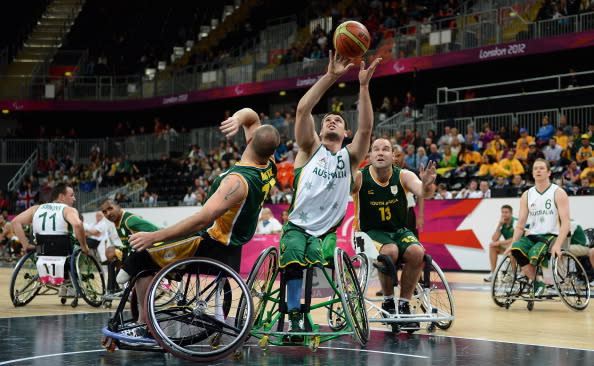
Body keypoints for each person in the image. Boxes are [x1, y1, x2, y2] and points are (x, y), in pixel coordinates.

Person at [127, 108, 279, 324]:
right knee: (156, 245)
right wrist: (237, 119)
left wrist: (154, 236)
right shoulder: (269, 164)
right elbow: (253, 116)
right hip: (230, 245)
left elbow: (202, 219)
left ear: (250, 139)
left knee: (141, 256)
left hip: (212, 243)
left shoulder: (237, 181)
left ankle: (144, 324)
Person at [278, 51, 381, 342]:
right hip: (298, 225)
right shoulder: (309, 148)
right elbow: (302, 110)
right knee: (295, 255)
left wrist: (363, 87)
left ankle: (330, 308)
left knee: (320, 256)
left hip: (326, 232)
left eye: (338, 120)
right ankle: (295, 316)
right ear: (321, 129)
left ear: (346, 132)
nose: (332, 121)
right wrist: (331, 76)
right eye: (328, 120)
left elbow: (367, 128)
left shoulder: (351, 157)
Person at [353, 139, 436, 327]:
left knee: (417, 252)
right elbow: (348, 188)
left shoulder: (403, 175)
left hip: (397, 230)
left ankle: (404, 305)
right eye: (376, 149)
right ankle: (389, 300)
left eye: (385, 149)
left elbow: (424, 192)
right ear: (370, 156)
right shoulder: (360, 176)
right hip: (367, 232)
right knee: (390, 252)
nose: (380, 153)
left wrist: (427, 184)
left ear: (393, 156)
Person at [505, 158, 571, 297]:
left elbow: (566, 223)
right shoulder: (527, 195)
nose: (538, 171)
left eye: (541, 168)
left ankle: (539, 283)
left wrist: (558, 245)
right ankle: (538, 282)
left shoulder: (558, 192)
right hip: (532, 235)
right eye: (535, 168)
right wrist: (512, 243)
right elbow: (520, 223)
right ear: (532, 173)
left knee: (535, 253)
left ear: (549, 172)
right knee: (516, 248)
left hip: (551, 235)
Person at [11, 183, 89, 289]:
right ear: (61, 196)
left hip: (40, 251)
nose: (74, 199)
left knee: (40, 246)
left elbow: (15, 222)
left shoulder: (36, 209)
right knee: (82, 251)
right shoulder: (67, 209)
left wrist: (25, 244)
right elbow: (78, 224)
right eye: (72, 195)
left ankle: (55, 277)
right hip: (63, 252)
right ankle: (70, 282)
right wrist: (84, 246)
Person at [484, 205, 516, 282]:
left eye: (506, 212)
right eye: (502, 212)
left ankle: (513, 275)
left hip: (517, 246)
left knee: (511, 249)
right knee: (492, 246)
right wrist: (499, 225)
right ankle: (493, 273)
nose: (504, 214)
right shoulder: (502, 224)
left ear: (511, 213)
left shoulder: (515, 222)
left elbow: (515, 239)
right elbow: (494, 239)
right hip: (507, 246)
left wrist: (499, 242)